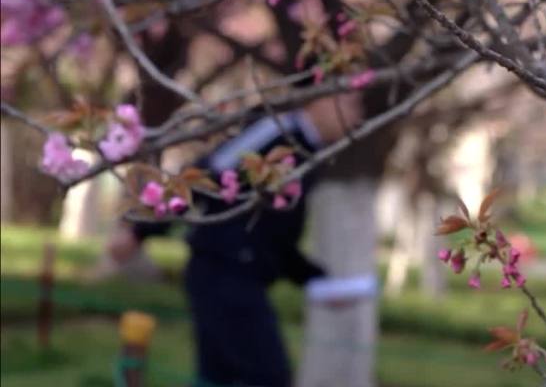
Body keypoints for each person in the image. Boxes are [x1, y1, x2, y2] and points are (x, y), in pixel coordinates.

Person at [107, 92, 363, 387]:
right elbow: (205, 176)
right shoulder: (276, 131)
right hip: (223, 271)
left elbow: (275, 236)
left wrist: (317, 281)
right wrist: (141, 231)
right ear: (318, 100)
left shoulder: (308, 154)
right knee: (268, 377)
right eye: (349, 103)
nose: (355, 116)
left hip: (242, 274)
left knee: (217, 378)